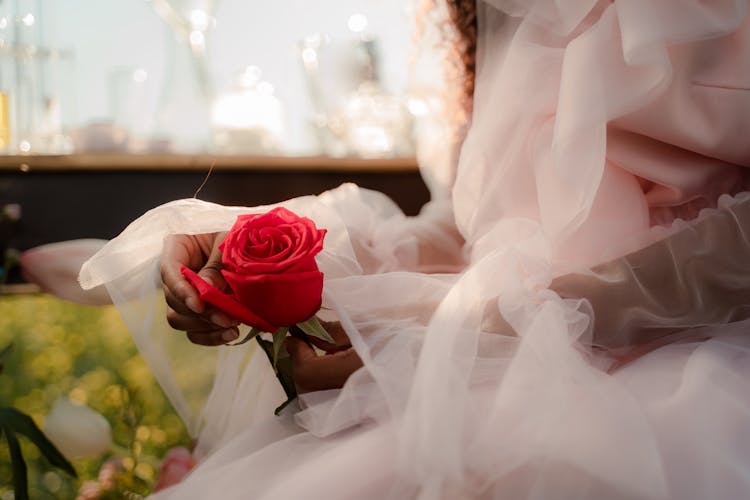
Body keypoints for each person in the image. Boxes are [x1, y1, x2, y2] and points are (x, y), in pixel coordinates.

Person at [80, 0, 750, 498]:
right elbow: (476, 223)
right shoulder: (482, 12)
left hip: (693, 371)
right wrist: (286, 251)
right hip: (510, 348)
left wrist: (466, 329)